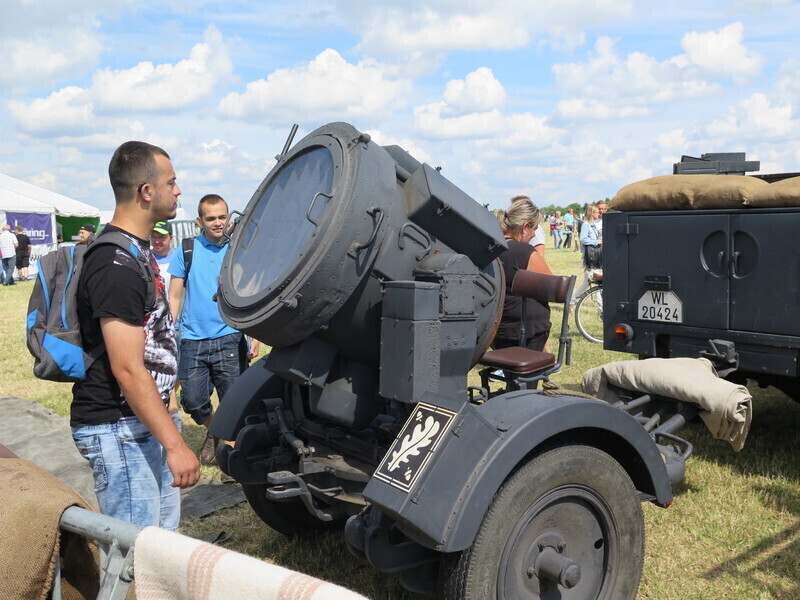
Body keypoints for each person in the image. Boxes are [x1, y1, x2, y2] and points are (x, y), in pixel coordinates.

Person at [71, 141, 200, 533]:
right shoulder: (117, 265)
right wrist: (177, 446)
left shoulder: (134, 252)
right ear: (146, 191)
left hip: (142, 423)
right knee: (134, 557)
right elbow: (127, 368)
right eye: (171, 182)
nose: (178, 190)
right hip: (119, 431)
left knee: (159, 551)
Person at [169, 194, 259, 465]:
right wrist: (169, 336)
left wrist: (253, 336)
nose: (218, 223)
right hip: (192, 341)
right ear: (200, 221)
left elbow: (250, 293)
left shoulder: (238, 250)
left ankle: (229, 457)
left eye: (222, 217)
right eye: (211, 218)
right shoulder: (186, 249)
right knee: (194, 403)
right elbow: (174, 296)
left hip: (230, 339)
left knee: (233, 403)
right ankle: (214, 429)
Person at [493, 199, 552, 352]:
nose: (534, 234)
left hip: (494, 331)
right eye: (535, 229)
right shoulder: (524, 252)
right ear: (525, 227)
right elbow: (552, 288)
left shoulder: (489, 248)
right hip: (526, 331)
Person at [573, 204, 603, 302]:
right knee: (592, 281)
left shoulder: (593, 225)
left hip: (594, 256)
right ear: (592, 213)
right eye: (597, 211)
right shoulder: (586, 225)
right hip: (590, 257)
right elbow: (583, 239)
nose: (599, 213)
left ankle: (571, 300)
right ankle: (571, 300)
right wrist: (596, 242)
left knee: (588, 282)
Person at [150, 221, 174, 288]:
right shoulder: (145, 258)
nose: (157, 241)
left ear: (170, 238)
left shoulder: (179, 258)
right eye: (153, 237)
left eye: (161, 237)